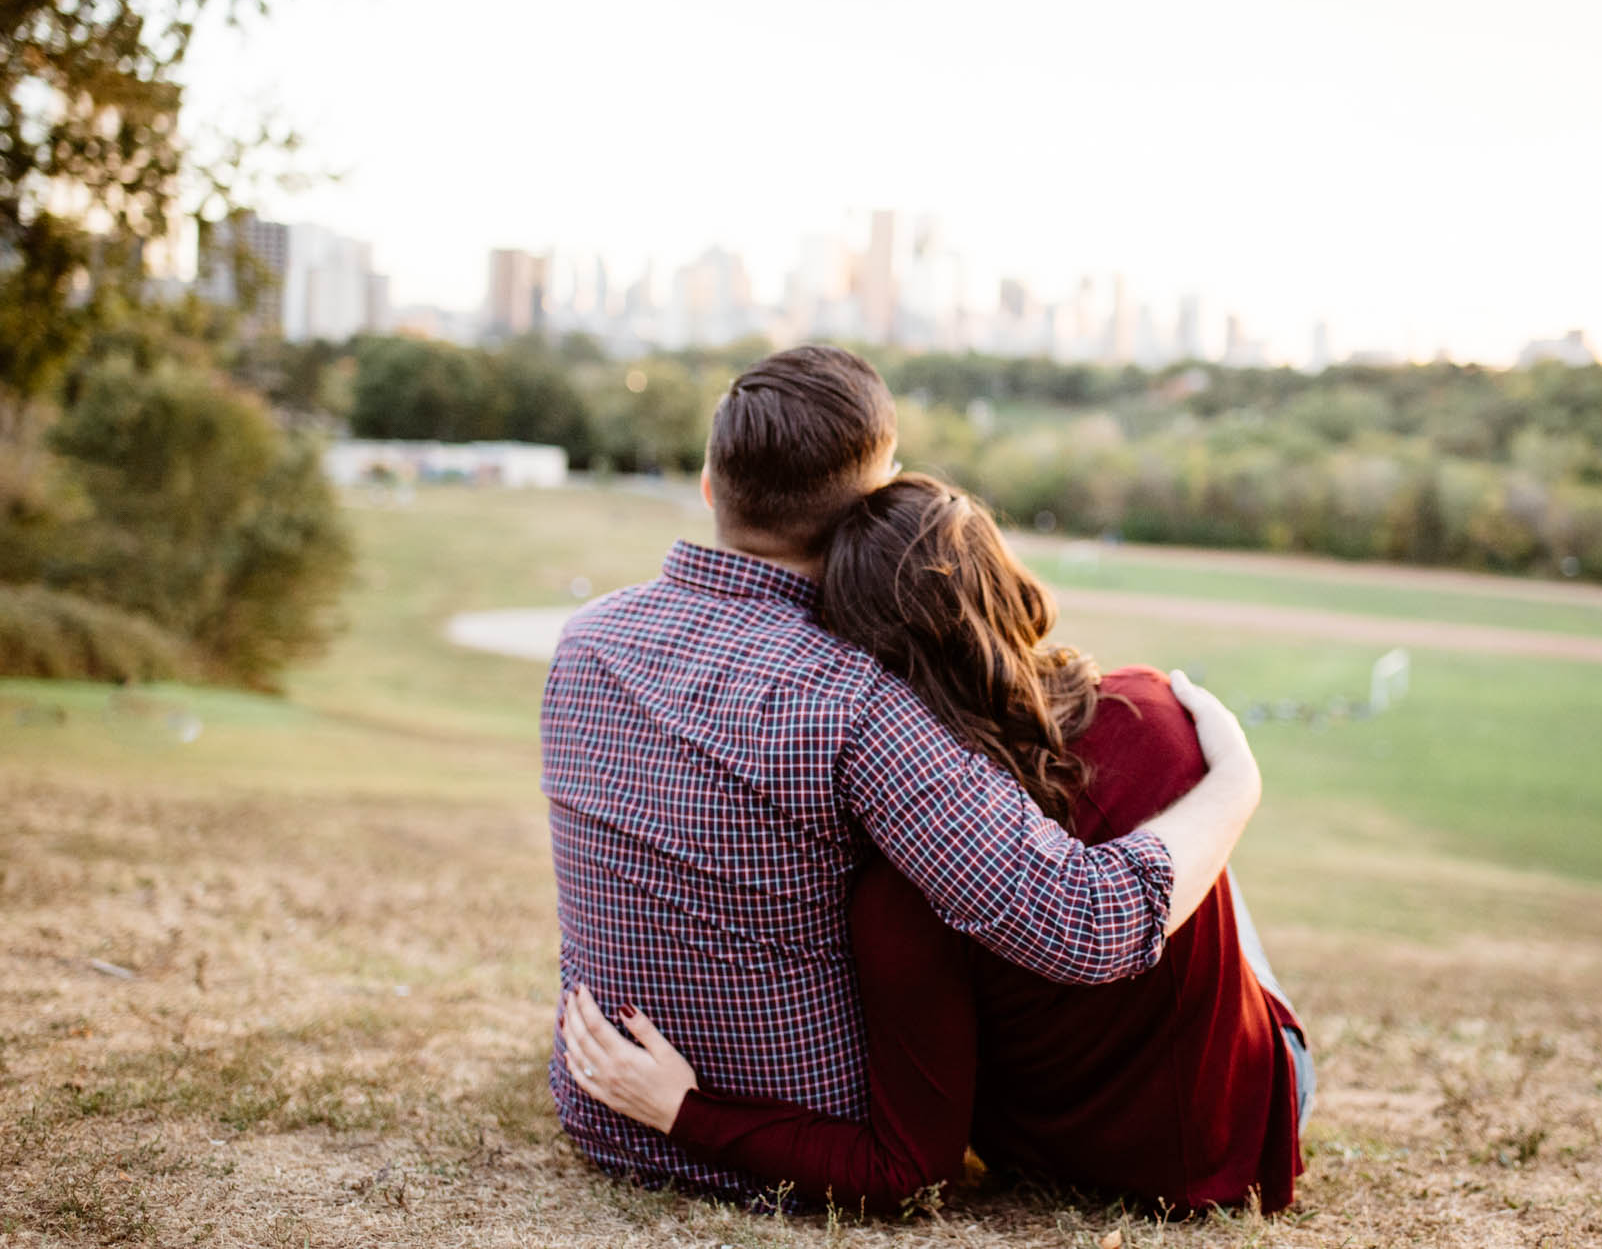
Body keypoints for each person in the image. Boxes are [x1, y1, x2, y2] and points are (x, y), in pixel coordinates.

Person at [541, 347, 1264, 1201]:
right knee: (1158, 761)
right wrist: (1236, 783)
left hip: (601, 1105)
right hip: (809, 1143)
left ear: (709, 484)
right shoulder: (859, 702)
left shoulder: (583, 642)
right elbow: (1087, 922)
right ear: (867, 512)